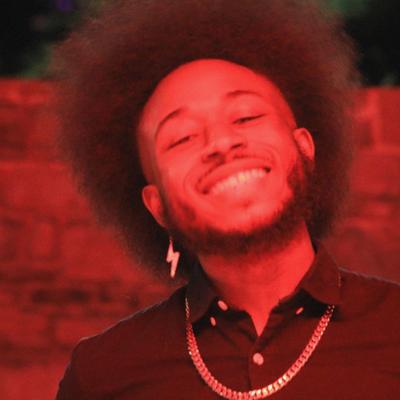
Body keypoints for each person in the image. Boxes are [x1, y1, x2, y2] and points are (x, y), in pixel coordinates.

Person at [53, 1, 400, 399]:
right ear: (157, 206)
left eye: (246, 117)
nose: (220, 143)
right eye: (182, 138)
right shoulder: (101, 374)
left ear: (305, 148)